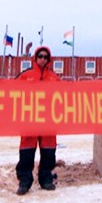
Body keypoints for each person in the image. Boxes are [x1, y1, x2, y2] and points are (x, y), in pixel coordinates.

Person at [14, 45, 59, 195]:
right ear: (35, 58)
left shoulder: (54, 77)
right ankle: (24, 182)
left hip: (48, 121)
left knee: (48, 153)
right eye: (40, 56)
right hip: (30, 120)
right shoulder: (25, 75)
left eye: (46, 57)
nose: (43, 59)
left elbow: (64, 96)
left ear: (49, 59)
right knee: (26, 152)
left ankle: (46, 179)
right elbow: (11, 90)